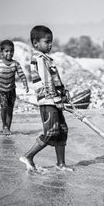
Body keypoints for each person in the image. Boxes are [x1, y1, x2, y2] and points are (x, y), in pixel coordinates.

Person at [19, 25, 72, 171]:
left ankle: (61, 163)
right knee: (51, 132)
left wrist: (64, 94)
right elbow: (47, 82)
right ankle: (28, 156)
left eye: (51, 41)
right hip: (48, 102)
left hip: (54, 101)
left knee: (62, 130)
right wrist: (56, 100)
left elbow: (55, 80)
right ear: (35, 43)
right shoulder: (40, 59)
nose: (50, 44)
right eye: (47, 41)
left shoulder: (48, 59)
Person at [0, 40, 29, 135]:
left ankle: (8, 128)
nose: (9, 53)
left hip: (12, 90)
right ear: (1, 52)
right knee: (4, 107)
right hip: (1, 90)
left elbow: (22, 74)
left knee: (10, 109)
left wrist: (25, 84)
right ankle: (4, 125)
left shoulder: (15, 64)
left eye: (11, 51)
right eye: (6, 51)